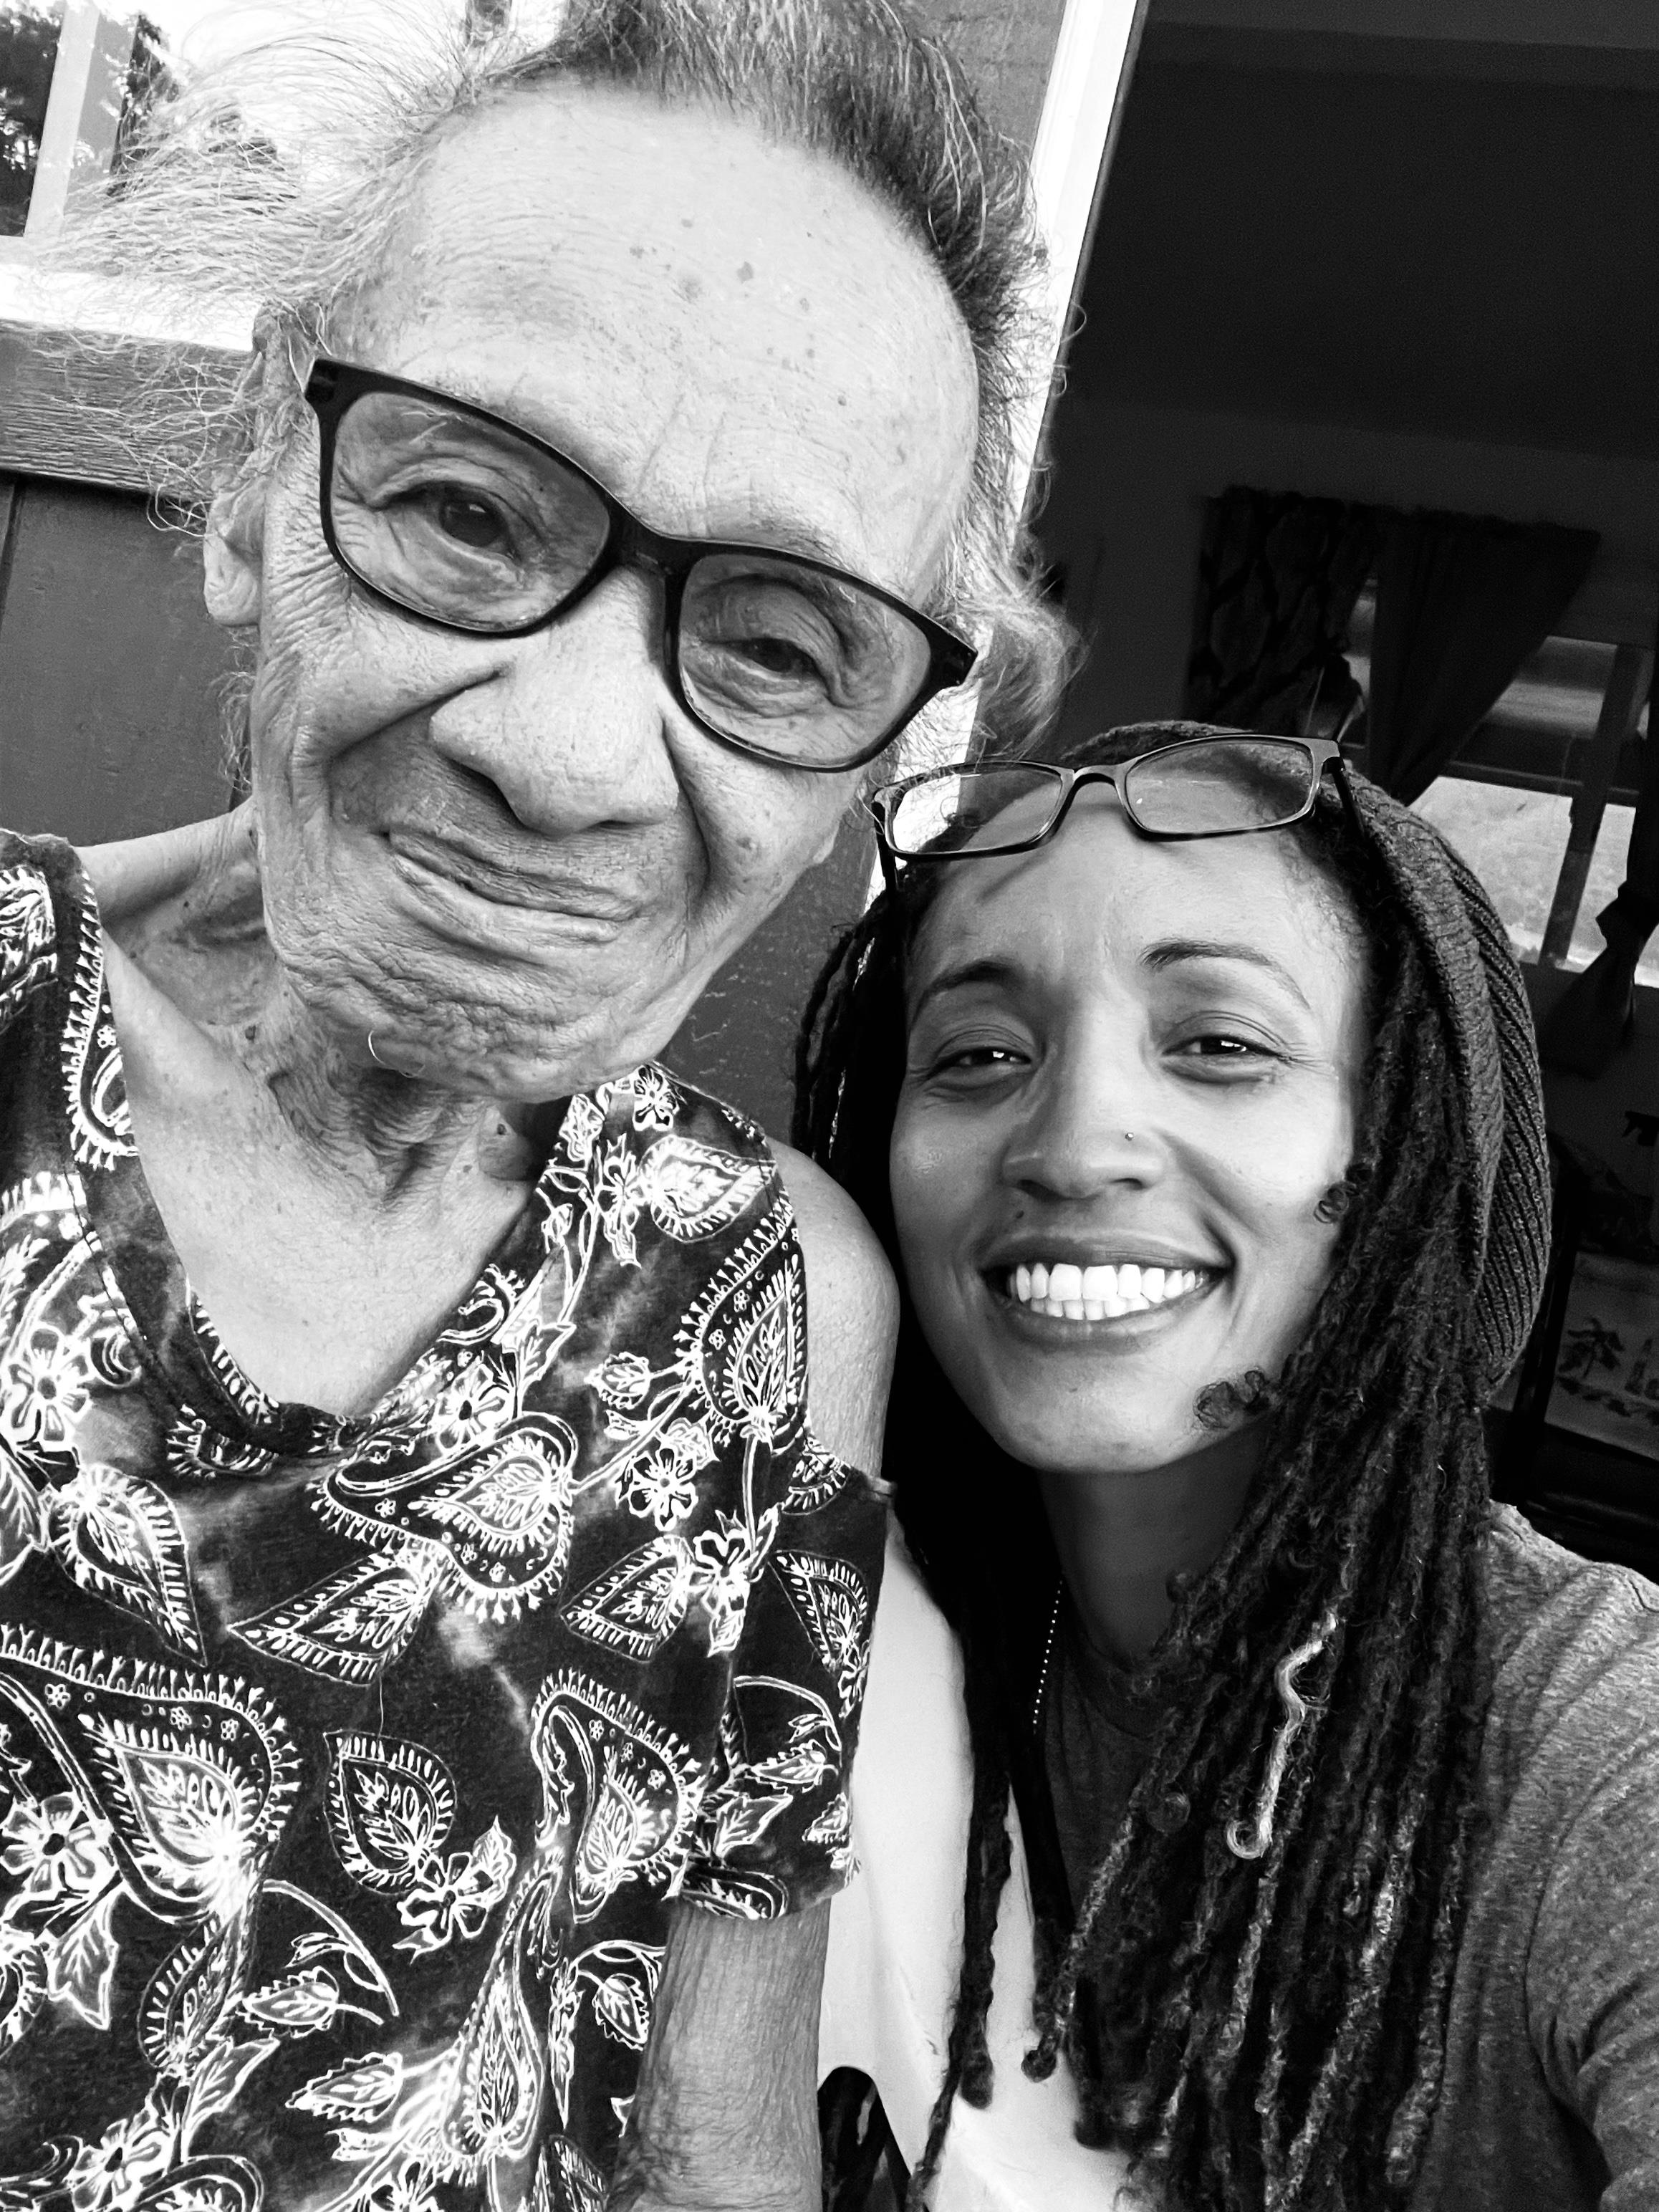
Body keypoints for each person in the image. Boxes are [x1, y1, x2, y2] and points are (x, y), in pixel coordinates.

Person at [0, 6, 1069, 2208]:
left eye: (779, 645)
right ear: (252, 493)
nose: (568, 754)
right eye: (469, 512)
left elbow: (714, 2143)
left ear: (866, 762)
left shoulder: (770, 1304)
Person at [799, 721, 1659, 2209]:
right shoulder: (849, 1647)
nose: (1073, 1142)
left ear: (1408, 1150)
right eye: (980, 1054)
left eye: (1219, 1042)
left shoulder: (1592, 1750)